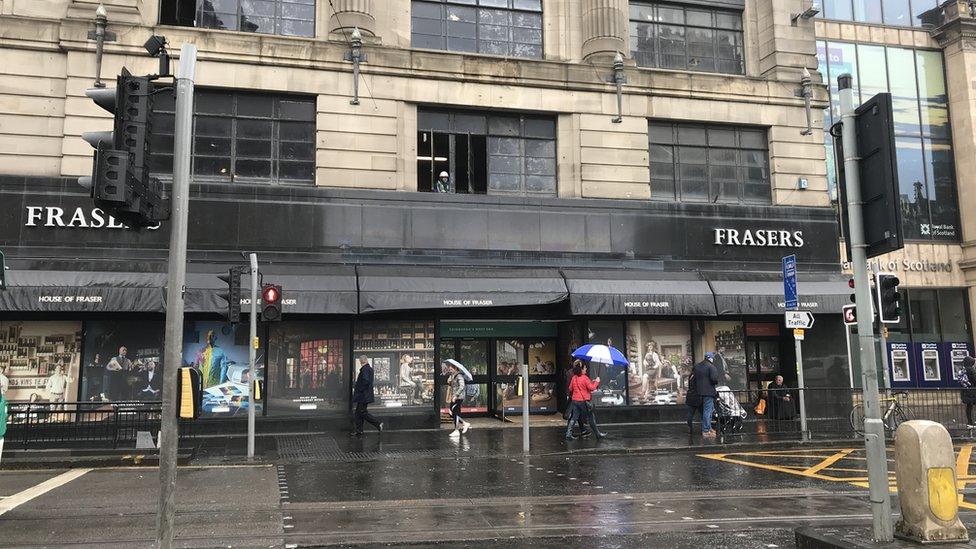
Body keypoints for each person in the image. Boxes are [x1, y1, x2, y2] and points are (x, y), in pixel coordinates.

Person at [565, 360, 606, 440]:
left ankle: (568, 434)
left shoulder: (574, 378)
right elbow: (592, 388)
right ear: (581, 369)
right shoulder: (585, 378)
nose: (586, 369)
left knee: (574, 417)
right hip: (584, 401)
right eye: (585, 368)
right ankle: (598, 434)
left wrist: (591, 382)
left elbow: (570, 388)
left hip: (575, 400)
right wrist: (597, 382)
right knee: (591, 417)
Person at [352, 356, 383, 437]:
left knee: (362, 412)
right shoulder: (369, 368)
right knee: (358, 413)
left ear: (363, 361)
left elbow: (365, 381)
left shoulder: (365, 369)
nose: (360, 361)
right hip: (365, 395)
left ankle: (378, 424)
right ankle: (359, 431)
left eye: (360, 360)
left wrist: (359, 389)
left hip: (363, 395)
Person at [692, 352, 720, 438]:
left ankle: (709, 428)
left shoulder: (697, 366)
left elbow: (693, 379)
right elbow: (714, 379)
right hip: (708, 392)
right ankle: (706, 430)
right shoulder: (711, 367)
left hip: (698, 393)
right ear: (710, 358)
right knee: (708, 411)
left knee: (704, 411)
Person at [445, 362, 470, 437]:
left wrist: (456, 395)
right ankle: (465, 423)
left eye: (451, 369)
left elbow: (462, 386)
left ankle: (456, 430)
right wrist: (450, 380)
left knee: (454, 412)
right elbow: (450, 384)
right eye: (449, 369)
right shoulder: (453, 376)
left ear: (455, 368)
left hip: (458, 397)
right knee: (452, 412)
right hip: (454, 397)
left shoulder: (459, 376)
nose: (450, 370)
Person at [685, 369, 702, 434]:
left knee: (690, 414)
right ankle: (704, 428)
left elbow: (689, 386)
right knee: (702, 414)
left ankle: (690, 428)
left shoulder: (691, 376)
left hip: (690, 397)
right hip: (697, 397)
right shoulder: (699, 377)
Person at [961, 356, 976, 427]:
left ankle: (970, 422)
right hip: (973, 391)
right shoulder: (971, 369)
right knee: (971, 406)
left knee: (969, 407)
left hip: (965, 391)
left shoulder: (963, 370)